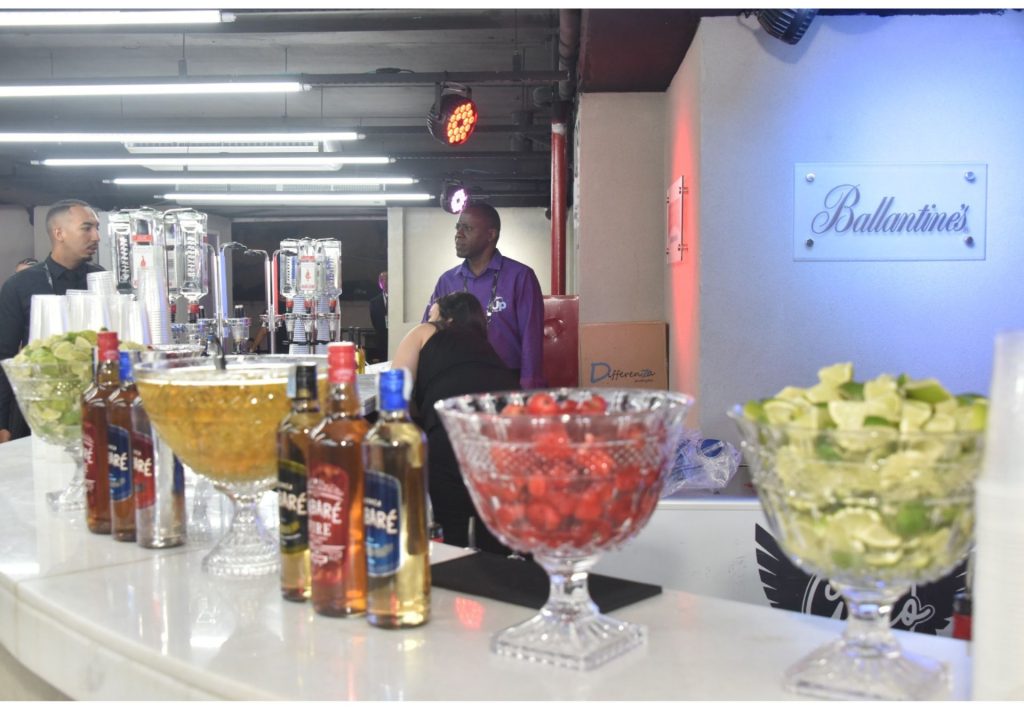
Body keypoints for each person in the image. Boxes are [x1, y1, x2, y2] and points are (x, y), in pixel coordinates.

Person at [394, 292, 519, 554]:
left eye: (432, 314)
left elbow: (396, 390)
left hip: (451, 430)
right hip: (508, 435)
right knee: (494, 533)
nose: (429, 319)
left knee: (452, 533)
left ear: (446, 317)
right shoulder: (485, 347)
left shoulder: (425, 331)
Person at [0, 200, 104, 443]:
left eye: (97, 228)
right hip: (38, 409)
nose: (96, 236)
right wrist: (2, 421)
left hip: (93, 406)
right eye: (87, 228)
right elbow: (4, 355)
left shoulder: (100, 279)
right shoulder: (20, 285)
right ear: (59, 233)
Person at [423, 203, 546, 390]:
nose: (458, 234)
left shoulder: (520, 276)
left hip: (506, 379)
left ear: (491, 235)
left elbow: (531, 336)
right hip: (457, 379)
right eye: (458, 227)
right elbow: (429, 332)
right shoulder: (447, 281)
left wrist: (529, 385)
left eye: (467, 228)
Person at [368, 270, 388, 363]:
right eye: (382, 280)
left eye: (386, 279)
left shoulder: (397, 298)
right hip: (382, 338)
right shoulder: (374, 302)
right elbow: (374, 321)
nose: (385, 282)